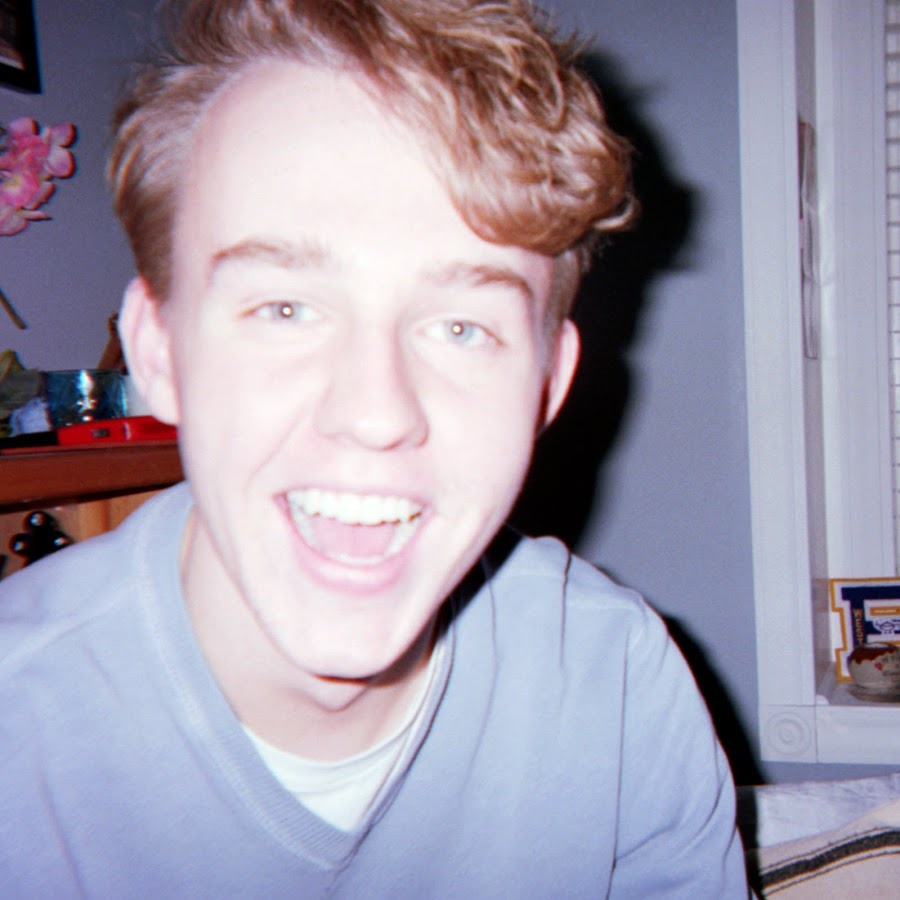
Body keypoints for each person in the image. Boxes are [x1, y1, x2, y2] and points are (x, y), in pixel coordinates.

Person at [0, 0, 749, 895]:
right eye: (285, 309)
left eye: (462, 328)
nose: (376, 412)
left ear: (547, 387)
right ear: (157, 353)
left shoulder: (615, 681)